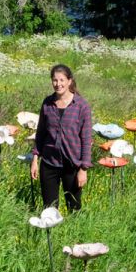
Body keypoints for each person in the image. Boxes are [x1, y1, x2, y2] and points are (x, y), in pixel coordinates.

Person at [30, 63, 93, 212]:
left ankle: (73, 234)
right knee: (49, 209)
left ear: (69, 81)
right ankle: (51, 234)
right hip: (49, 163)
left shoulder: (81, 106)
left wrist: (83, 169)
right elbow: (41, 134)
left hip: (72, 164)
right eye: (55, 80)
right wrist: (34, 159)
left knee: (74, 207)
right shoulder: (47, 103)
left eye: (62, 80)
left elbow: (86, 139)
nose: (58, 84)